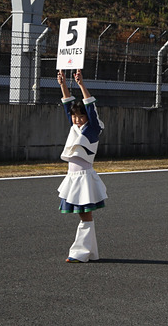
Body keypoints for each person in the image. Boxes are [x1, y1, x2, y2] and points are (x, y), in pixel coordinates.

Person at [56, 69, 107, 263]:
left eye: (80, 116)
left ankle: (80, 253)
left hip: (84, 178)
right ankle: (89, 252)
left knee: (84, 216)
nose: (77, 119)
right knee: (84, 216)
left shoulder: (94, 128)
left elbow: (91, 107)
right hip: (73, 177)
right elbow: (68, 103)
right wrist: (62, 84)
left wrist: (81, 84)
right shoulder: (74, 127)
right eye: (75, 117)